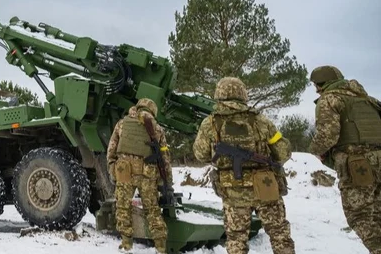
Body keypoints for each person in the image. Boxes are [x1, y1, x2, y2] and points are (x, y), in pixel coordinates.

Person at [192, 76, 295, 254]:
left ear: (219, 94)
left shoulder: (210, 123)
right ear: (243, 94)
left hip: (233, 189)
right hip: (265, 186)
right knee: (279, 233)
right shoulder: (260, 120)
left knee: (236, 237)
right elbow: (283, 151)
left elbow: (200, 154)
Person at [308, 65, 381, 254]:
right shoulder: (369, 100)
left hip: (358, 166)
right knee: (378, 215)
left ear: (320, 85)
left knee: (359, 216)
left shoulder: (330, 99)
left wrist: (315, 151)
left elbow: (327, 135)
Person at [106, 97, 171, 253]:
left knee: (123, 207)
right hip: (147, 174)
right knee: (152, 210)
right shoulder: (157, 129)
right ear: (152, 111)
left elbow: (111, 150)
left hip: (124, 171)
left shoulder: (122, 124)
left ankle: (126, 243)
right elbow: (165, 159)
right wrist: (166, 181)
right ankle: (160, 247)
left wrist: (112, 170)